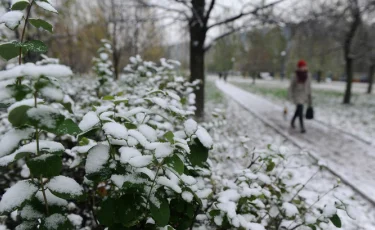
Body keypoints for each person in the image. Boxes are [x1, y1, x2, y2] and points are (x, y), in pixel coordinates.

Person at [288, 60, 312, 133]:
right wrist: (290, 97)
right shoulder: (295, 75)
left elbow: (309, 87)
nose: (304, 67)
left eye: (305, 66)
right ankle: (302, 127)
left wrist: (309, 97)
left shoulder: (308, 75)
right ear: (299, 67)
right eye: (302, 66)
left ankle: (292, 121)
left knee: (298, 111)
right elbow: (291, 87)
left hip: (304, 95)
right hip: (297, 95)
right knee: (300, 110)